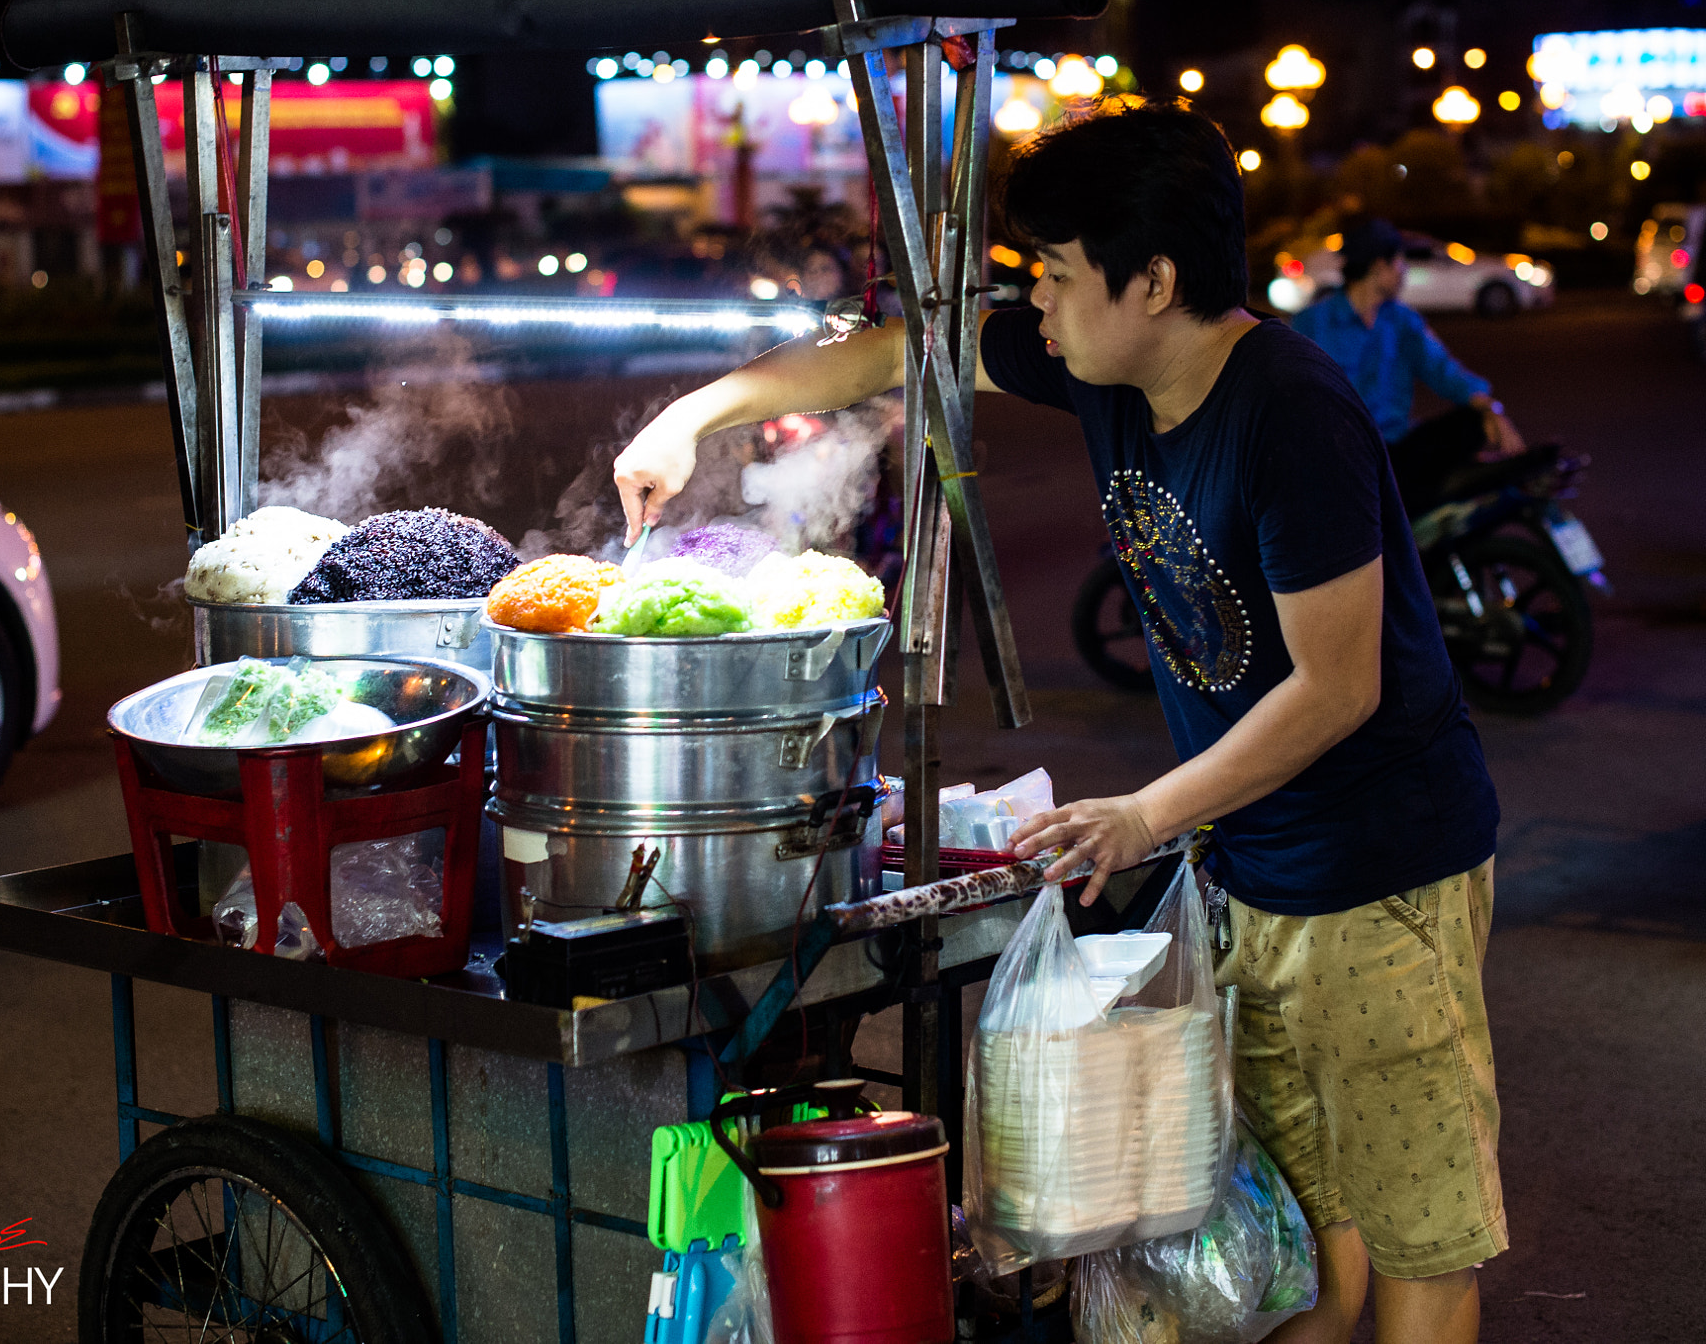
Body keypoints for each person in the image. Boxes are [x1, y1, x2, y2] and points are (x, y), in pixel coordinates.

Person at [613, 101, 1503, 1344]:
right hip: (1252, 869)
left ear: (1153, 280)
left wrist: (1143, 814)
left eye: (1057, 274)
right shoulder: (1106, 365)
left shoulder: (1288, 418)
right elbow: (897, 353)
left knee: (1415, 1248)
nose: (1034, 302)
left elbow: (1333, 687)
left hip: (1378, 881)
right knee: (1302, 1249)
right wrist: (691, 416)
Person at [1291, 218, 1526, 512]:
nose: (1404, 272)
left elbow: (1442, 370)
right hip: (1342, 460)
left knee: (1471, 424)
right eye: (1400, 263)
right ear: (1379, 268)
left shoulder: (1402, 320)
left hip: (1396, 447)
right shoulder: (1313, 323)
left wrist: (1489, 407)